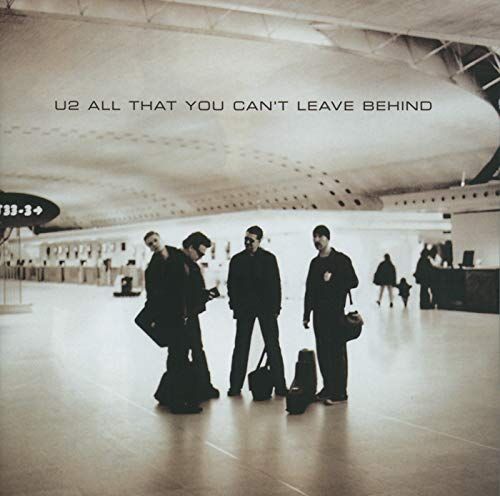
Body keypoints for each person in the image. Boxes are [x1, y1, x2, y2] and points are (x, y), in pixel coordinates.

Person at [143, 231, 201, 413]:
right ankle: (178, 401)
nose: (154, 244)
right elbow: (152, 296)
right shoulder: (152, 269)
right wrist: (154, 320)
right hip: (170, 317)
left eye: (155, 240)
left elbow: (191, 277)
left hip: (185, 314)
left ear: (161, 239)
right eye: (150, 244)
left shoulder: (178, 256)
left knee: (179, 356)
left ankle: (168, 395)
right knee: (178, 357)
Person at [227, 226, 287, 397]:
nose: (247, 243)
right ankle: (235, 386)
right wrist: (234, 305)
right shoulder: (237, 260)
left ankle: (280, 385)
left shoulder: (268, 259)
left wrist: (276, 308)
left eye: (251, 240)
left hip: (265, 308)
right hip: (247, 308)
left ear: (259, 241)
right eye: (246, 239)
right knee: (241, 346)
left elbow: (276, 285)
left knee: (272, 345)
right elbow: (231, 285)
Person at [303, 225, 358, 405]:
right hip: (319, 315)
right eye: (314, 237)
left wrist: (333, 279)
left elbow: (353, 281)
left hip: (336, 313)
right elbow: (309, 290)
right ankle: (328, 387)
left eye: (320, 237)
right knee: (323, 352)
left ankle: (340, 391)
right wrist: (306, 314)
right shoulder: (314, 263)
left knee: (337, 352)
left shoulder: (341, 260)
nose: (316, 240)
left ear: (328, 238)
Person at [180, 231, 220, 401]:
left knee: (195, 350)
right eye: (200, 253)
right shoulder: (178, 264)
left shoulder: (190, 264)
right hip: (182, 316)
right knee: (184, 353)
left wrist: (204, 295)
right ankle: (190, 390)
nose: (200, 257)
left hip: (189, 314)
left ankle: (201, 387)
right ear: (190, 247)